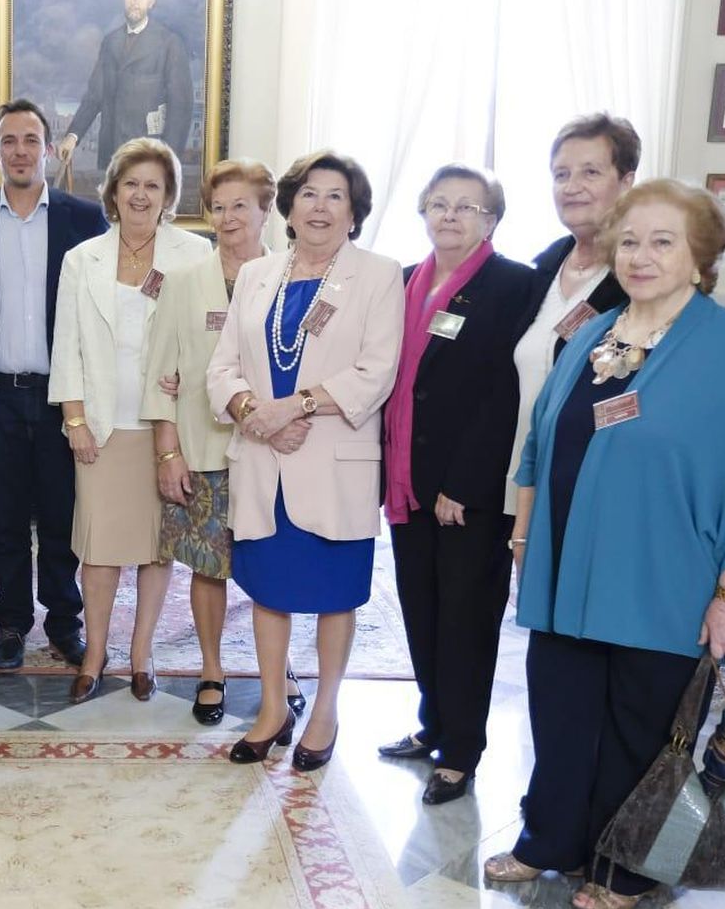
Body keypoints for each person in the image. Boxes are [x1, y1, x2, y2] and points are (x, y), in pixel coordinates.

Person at [484, 180, 725, 909]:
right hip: (567, 569)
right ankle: (549, 836)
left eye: (663, 241)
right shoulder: (596, 331)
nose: (641, 256)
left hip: (663, 575)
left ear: (699, 257)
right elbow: (541, 441)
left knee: (641, 726)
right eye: (629, 241)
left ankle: (630, 865)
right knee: (559, 711)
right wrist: (525, 535)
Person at [205, 151, 403, 768]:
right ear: (288, 208)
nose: (319, 206)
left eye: (335, 196)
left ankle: (325, 710)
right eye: (309, 194)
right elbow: (222, 367)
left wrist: (291, 408)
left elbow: (375, 372)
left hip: (332, 458)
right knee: (268, 591)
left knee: (334, 594)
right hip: (264, 459)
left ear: (354, 211)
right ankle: (271, 706)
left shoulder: (378, 274)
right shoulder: (259, 274)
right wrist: (249, 412)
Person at [377, 164, 535, 804]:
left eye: (466, 207)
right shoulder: (407, 280)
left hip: (465, 489)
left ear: (491, 219)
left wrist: (465, 484)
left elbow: (503, 394)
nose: (449, 216)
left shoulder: (512, 285)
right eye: (438, 204)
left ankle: (461, 751)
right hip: (408, 477)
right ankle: (432, 724)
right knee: (421, 608)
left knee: (466, 619)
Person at [0, 98, 108, 672]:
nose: (19, 151)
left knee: (64, 516)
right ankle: (12, 622)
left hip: (64, 398)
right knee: (6, 518)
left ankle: (64, 621)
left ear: (48, 147)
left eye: (30, 140)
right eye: (8, 141)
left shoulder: (83, 219)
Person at [49, 137, 211, 703]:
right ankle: (95, 653)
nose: (140, 194)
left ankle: (142, 654)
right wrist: (73, 419)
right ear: (113, 192)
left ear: (169, 195)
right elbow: (66, 343)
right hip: (102, 424)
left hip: (167, 427)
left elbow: (209, 338)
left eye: (153, 185)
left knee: (154, 546)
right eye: (130, 183)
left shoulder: (195, 255)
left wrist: (189, 383)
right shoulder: (82, 258)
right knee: (98, 548)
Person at [143, 159, 274, 724]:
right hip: (202, 449)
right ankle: (212, 668)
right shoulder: (186, 282)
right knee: (206, 566)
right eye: (218, 207)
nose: (227, 218)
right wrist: (167, 453)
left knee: (275, 569)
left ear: (267, 209)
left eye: (240, 205)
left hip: (273, 452)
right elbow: (159, 371)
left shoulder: (289, 278)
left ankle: (277, 670)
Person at [509, 114, 638, 514]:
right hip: (518, 479)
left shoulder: (639, 280)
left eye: (591, 172)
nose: (572, 187)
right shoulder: (539, 271)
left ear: (626, 181)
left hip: (593, 485)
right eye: (561, 174)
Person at [57, 0, 193, 176]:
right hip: (110, 155)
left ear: (151, 2)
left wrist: (168, 161)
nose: (134, 1)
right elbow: (94, 96)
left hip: (149, 156)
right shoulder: (110, 42)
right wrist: (72, 136)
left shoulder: (169, 43)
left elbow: (180, 108)